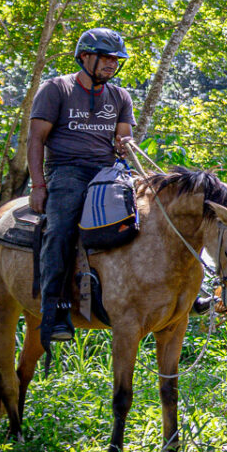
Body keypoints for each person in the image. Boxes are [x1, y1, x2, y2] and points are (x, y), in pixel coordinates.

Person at [26, 28, 136, 345]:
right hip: (67, 171)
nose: (112, 65)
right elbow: (36, 139)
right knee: (60, 230)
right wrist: (38, 185)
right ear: (85, 56)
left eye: (116, 60)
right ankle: (56, 310)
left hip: (107, 171)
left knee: (149, 214)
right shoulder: (56, 89)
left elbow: (124, 135)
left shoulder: (120, 96)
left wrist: (125, 144)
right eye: (106, 58)